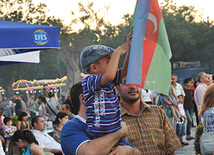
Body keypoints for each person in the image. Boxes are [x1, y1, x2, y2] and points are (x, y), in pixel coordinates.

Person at [61, 82, 140, 155]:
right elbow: (89, 152)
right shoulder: (71, 127)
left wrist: (128, 150)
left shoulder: (103, 126)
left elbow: (138, 152)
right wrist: (119, 132)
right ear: (84, 99)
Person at [80, 32, 131, 144]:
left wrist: (129, 49)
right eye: (109, 61)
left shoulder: (110, 80)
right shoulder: (89, 81)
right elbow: (109, 75)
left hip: (115, 132)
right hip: (98, 135)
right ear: (94, 68)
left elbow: (125, 71)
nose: (113, 63)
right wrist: (117, 53)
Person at [116, 77, 181, 154]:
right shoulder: (112, 120)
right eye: (126, 83)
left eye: (137, 82)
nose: (133, 86)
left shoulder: (158, 113)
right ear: (117, 88)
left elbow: (170, 150)